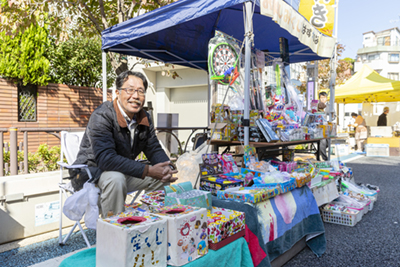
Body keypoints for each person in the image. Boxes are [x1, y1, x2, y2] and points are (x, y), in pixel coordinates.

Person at [73, 70, 178, 217]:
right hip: (92, 174)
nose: (135, 96)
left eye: (140, 91)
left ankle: (151, 220)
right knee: (116, 179)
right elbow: (106, 159)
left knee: (160, 177)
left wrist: (166, 167)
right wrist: (147, 170)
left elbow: (153, 148)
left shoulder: (143, 117)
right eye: (129, 90)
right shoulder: (102, 115)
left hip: (121, 172)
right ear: (117, 92)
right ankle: (115, 230)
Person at [317, 91, 336, 161]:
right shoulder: (317, 106)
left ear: (326, 98)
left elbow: (334, 116)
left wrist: (328, 118)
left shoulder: (330, 106)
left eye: (324, 98)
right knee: (323, 141)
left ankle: (318, 152)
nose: (322, 99)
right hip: (320, 127)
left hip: (328, 127)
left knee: (328, 142)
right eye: (321, 98)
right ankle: (325, 158)